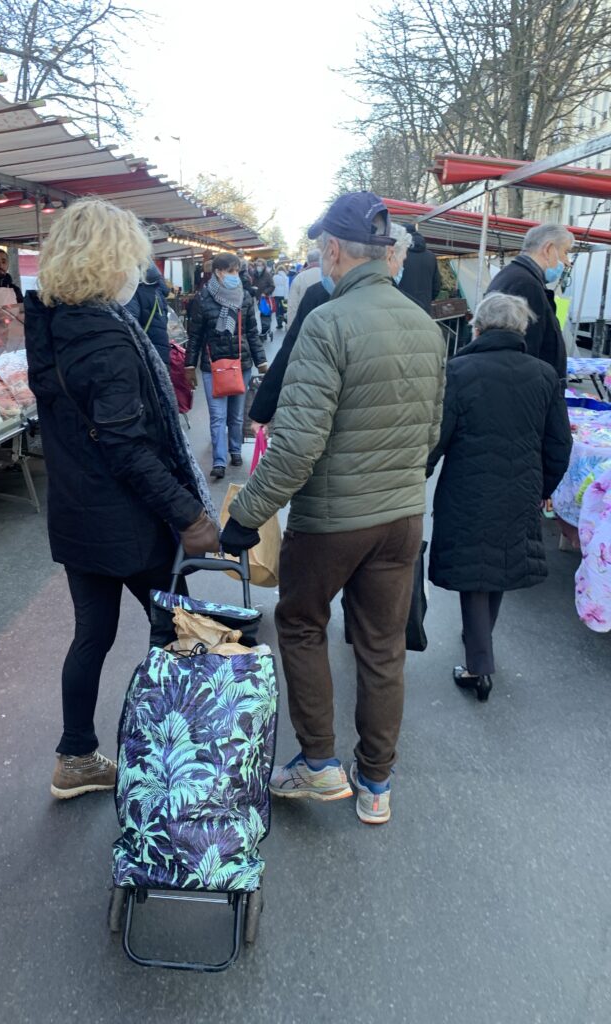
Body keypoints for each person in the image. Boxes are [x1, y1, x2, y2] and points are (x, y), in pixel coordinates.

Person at [221, 191, 446, 824]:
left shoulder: (327, 323)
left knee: (300, 623)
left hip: (331, 521)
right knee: (382, 645)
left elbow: (296, 447)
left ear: (334, 251)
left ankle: (319, 763)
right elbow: (430, 434)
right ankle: (376, 783)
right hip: (401, 518)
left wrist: (245, 517)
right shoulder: (427, 327)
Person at [24, 197, 220, 800]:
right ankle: (175, 761)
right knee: (178, 627)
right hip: (125, 521)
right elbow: (126, 446)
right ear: (111, 259)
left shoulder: (52, 326)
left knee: (93, 635)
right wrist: (189, 514)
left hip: (77, 514)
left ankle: (76, 756)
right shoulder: (104, 339)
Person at [426, 292, 572, 702]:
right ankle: (480, 643)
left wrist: (415, 474)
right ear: (521, 329)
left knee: (476, 570)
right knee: (499, 562)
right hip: (521, 488)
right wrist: (542, 488)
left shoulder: (459, 370)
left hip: (467, 488)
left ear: (478, 328)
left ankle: (479, 665)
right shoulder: (543, 374)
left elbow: (437, 436)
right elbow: (559, 444)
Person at [250, 224, 413, 429]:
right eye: (402, 260)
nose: (401, 267)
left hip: (330, 418)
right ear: (389, 256)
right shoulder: (410, 311)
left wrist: (262, 412)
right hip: (386, 424)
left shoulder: (319, 294)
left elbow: (290, 352)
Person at [184, 253, 268, 479]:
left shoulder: (245, 296)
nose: (235, 275)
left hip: (242, 363)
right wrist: (189, 366)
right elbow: (195, 336)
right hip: (213, 365)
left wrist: (261, 361)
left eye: (237, 271)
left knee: (237, 415)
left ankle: (235, 450)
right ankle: (219, 461)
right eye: (230, 271)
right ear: (218, 272)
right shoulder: (203, 298)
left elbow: (252, 332)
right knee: (217, 416)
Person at [485, 223, 573, 384]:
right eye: (565, 252)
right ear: (548, 249)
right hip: (527, 386)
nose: (567, 262)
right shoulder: (525, 284)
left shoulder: (519, 276)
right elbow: (525, 350)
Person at [125, 263, 170, 366]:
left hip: (144, 355)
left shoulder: (132, 291)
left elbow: (129, 329)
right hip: (159, 350)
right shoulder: (156, 288)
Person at [396, 225, 441, 315]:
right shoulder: (431, 256)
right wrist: (427, 299)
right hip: (424, 309)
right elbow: (437, 286)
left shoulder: (400, 255)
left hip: (402, 308)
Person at [287, 248, 322, 325]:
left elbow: (292, 306)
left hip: (304, 323)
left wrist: (291, 327)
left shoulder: (299, 278)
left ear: (308, 261)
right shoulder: (330, 276)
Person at [272, 264, 289, 329]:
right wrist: (287, 296)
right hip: (283, 295)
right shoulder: (286, 277)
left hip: (276, 295)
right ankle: (285, 320)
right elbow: (286, 287)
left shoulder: (274, 277)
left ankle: (279, 324)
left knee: (277, 310)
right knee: (284, 309)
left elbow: (273, 286)